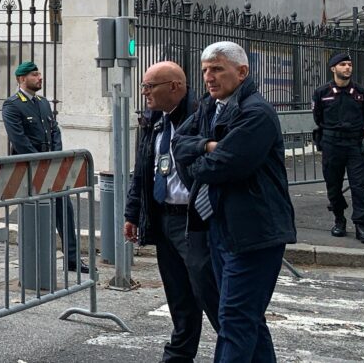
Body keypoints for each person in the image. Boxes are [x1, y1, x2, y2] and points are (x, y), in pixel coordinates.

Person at [173, 41, 296, 363]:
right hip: (220, 228)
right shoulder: (210, 108)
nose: (209, 77)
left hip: (254, 232)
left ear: (242, 72)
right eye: (205, 71)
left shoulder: (256, 113)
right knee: (246, 319)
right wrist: (209, 146)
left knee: (235, 319)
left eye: (217, 69)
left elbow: (223, 167)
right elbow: (178, 144)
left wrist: (201, 158)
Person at [124, 61, 219, 362]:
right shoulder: (153, 118)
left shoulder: (201, 115)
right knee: (179, 299)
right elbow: (142, 169)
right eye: (144, 86)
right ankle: (177, 357)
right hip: (164, 217)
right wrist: (132, 213)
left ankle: (239, 351)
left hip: (195, 222)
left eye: (150, 86)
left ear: (175, 87)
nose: (144, 92)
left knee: (211, 296)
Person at [2, 61, 87, 273]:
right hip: (31, 168)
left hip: (51, 165)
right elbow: (19, 140)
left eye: (39, 74)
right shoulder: (12, 105)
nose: (40, 78)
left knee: (64, 211)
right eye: (34, 75)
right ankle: (37, 262)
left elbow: (54, 130)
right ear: (22, 79)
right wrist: (40, 161)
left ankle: (73, 258)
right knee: (35, 214)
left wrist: (55, 157)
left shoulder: (42, 102)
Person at [312, 52, 364, 244]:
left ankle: (361, 226)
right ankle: (339, 220)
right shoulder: (322, 93)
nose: (347, 68)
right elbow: (318, 118)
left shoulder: (362, 93)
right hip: (331, 144)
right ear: (333, 69)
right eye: (343, 65)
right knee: (333, 186)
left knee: (359, 186)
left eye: (349, 64)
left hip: (354, 144)